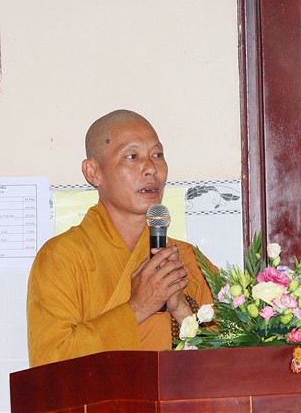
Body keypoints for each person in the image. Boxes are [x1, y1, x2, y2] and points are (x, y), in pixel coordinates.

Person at [26, 109, 214, 367]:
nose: (151, 169)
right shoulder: (61, 258)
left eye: (157, 155)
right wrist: (138, 307)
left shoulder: (188, 259)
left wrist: (181, 309)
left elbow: (228, 361)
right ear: (93, 172)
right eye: (132, 156)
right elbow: (50, 364)